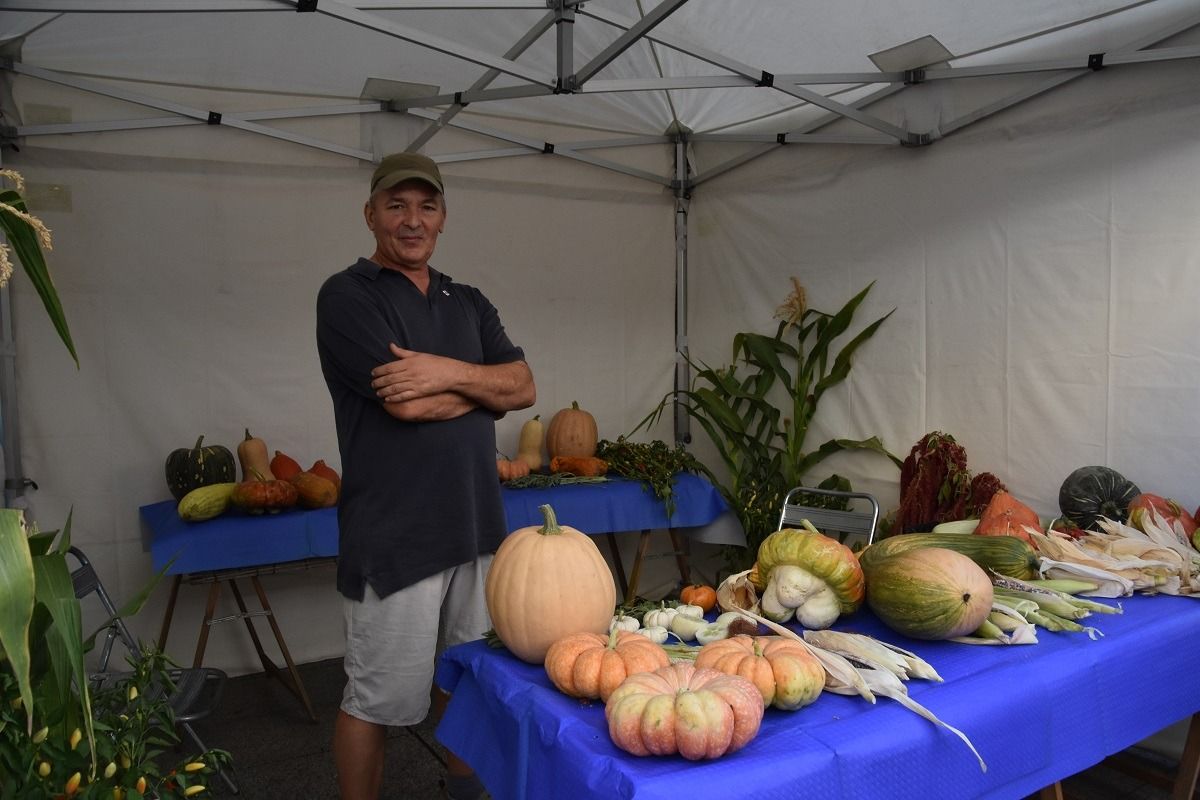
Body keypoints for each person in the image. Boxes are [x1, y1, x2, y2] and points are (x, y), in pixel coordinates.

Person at [316, 151, 535, 800]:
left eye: (426, 206)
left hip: (474, 526)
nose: (412, 220)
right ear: (370, 214)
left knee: (468, 680)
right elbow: (404, 404)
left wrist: (442, 373)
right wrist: (483, 388)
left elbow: (523, 386)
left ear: (443, 217)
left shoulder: (466, 300)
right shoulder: (348, 295)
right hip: (395, 537)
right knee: (376, 700)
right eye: (397, 205)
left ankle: (463, 791)